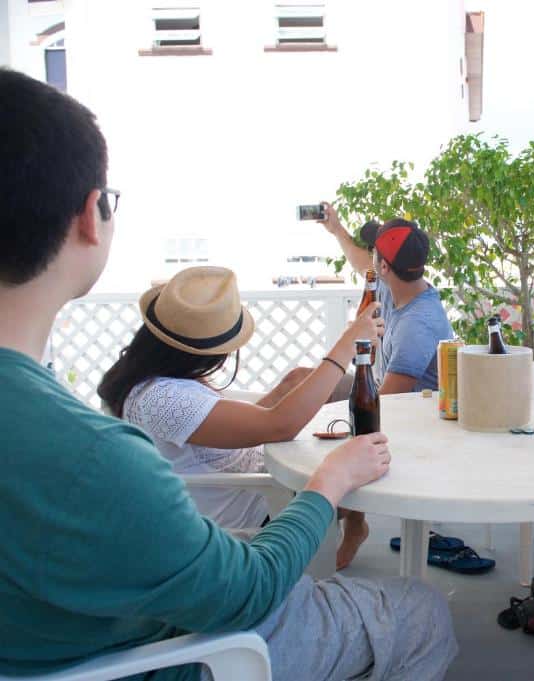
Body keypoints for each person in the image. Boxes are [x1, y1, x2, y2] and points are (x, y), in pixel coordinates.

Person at [0, 68, 456, 680]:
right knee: (424, 610)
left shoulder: (89, 423)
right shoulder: (97, 460)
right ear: (91, 215)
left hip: (109, 620)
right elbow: (251, 590)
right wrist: (331, 481)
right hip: (174, 648)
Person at [97, 265, 384, 569]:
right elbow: (279, 425)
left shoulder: (149, 378)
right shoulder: (164, 399)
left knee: (314, 382)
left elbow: (211, 429)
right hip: (261, 504)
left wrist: (292, 386)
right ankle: (354, 522)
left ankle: (356, 526)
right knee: (357, 438)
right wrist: (346, 346)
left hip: (246, 474)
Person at [320, 205, 454, 394]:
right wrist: (336, 228)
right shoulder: (396, 281)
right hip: (380, 393)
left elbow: (385, 403)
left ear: (383, 267)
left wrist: (351, 344)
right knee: (298, 378)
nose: (369, 254)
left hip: (403, 414)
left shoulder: (417, 325)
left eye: (373, 250)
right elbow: (360, 262)